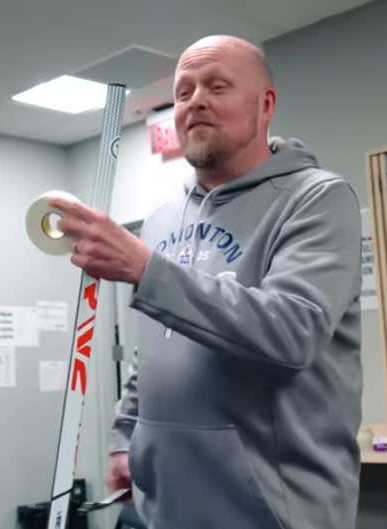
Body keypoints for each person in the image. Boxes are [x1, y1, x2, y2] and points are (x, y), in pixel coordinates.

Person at [50, 35, 363, 529]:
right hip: (167, 508)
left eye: (217, 86)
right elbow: (156, 351)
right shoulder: (161, 220)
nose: (195, 100)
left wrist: (145, 270)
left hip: (274, 512)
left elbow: (292, 331)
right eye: (183, 91)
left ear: (265, 105)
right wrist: (126, 434)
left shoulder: (317, 200)